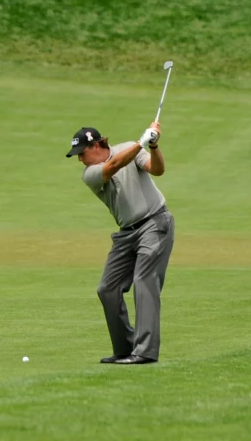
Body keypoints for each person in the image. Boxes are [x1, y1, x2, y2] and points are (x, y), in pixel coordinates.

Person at [67, 121, 173, 365]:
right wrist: (142, 142)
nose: (80, 159)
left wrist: (153, 146)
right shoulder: (91, 174)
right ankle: (125, 348)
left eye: (81, 153)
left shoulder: (129, 149)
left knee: (144, 281)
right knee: (107, 288)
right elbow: (115, 165)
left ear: (96, 146)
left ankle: (144, 352)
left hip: (154, 223)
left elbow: (157, 170)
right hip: (126, 233)